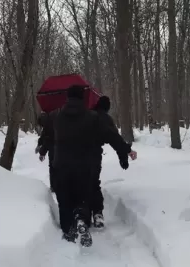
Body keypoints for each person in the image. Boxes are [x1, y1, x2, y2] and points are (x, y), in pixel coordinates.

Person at [51, 85, 133, 247]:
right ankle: (81, 219)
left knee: (65, 200)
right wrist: (126, 149)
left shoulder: (58, 117)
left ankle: (68, 232)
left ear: (68, 97)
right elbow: (110, 135)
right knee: (83, 197)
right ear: (83, 98)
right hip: (84, 165)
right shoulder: (92, 117)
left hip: (61, 166)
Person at [90, 96, 137, 229]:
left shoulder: (87, 115)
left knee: (82, 183)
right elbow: (114, 138)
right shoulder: (105, 119)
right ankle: (97, 213)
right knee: (93, 183)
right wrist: (124, 155)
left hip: (77, 155)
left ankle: (82, 214)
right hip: (93, 154)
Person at [35, 112, 57, 192]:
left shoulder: (49, 126)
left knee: (54, 167)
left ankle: (55, 187)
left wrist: (42, 153)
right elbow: (43, 136)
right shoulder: (52, 120)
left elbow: (47, 140)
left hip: (56, 148)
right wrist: (39, 144)